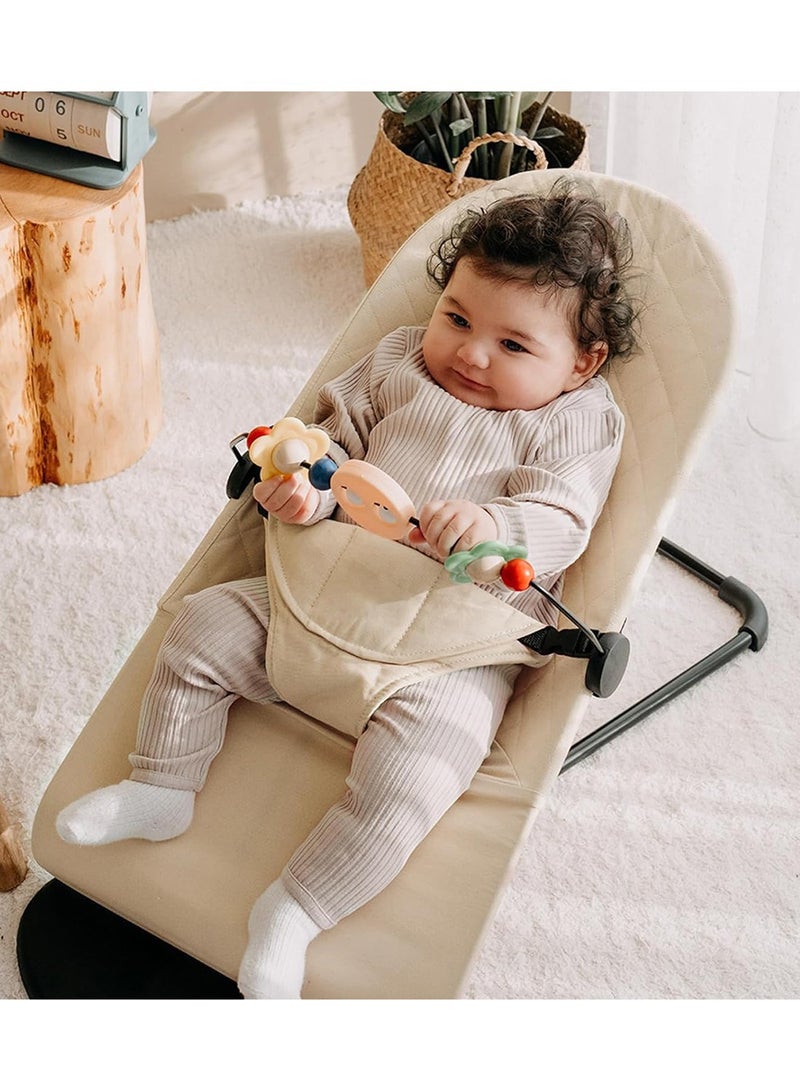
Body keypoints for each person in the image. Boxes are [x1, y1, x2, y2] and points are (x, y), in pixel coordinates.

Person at [55, 180, 639, 999]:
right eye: (458, 318)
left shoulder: (577, 420)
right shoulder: (399, 361)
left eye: (513, 345)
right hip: (319, 598)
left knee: (419, 775)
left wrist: (494, 525)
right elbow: (328, 449)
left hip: (447, 650)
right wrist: (304, 491)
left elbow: (563, 515)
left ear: (582, 362)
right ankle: (162, 785)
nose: (472, 354)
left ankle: (298, 908)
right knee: (203, 627)